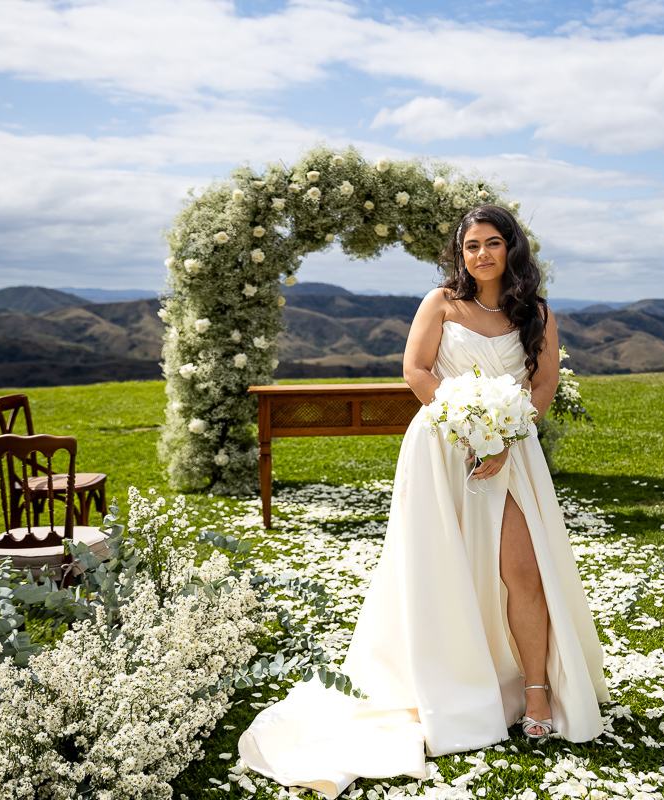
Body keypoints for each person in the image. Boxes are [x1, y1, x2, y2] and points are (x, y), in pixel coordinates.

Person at [239, 205, 609, 798]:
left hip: (514, 454)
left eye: (492, 243)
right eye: (471, 246)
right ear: (459, 254)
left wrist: (507, 434)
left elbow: (542, 386)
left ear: (512, 250)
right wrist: (469, 423)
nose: (481, 255)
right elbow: (415, 370)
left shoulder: (534, 313)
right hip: (443, 449)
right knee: (444, 573)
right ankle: (454, 684)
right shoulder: (440, 303)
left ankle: (536, 688)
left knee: (526, 574)